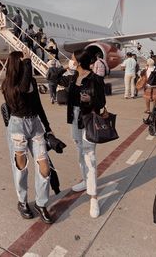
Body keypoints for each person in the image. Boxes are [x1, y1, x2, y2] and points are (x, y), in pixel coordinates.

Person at [1, 49, 53, 224]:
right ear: (18, 64)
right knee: (21, 169)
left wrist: (48, 128)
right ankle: (22, 201)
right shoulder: (8, 85)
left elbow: (38, 106)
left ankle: (41, 203)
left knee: (44, 167)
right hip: (18, 127)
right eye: (22, 61)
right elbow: (22, 89)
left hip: (35, 125)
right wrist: (28, 62)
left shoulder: (30, 81)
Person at [58, 49, 106, 218]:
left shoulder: (95, 79)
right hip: (75, 120)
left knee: (90, 157)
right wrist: (64, 68)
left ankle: (93, 196)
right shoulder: (72, 78)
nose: (70, 60)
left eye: (71, 58)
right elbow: (53, 77)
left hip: (88, 120)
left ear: (78, 61)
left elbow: (101, 102)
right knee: (80, 153)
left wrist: (89, 99)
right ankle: (85, 181)